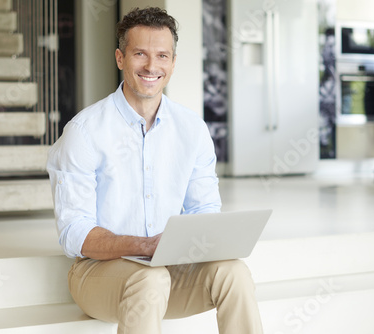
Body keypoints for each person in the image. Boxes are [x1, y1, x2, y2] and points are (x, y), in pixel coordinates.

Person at [47, 7, 263, 334]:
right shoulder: (85, 131)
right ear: (120, 58)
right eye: (140, 54)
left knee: (234, 272)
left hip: (169, 272)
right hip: (98, 275)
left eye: (162, 55)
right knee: (150, 278)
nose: (151, 66)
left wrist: (206, 238)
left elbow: (205, 209)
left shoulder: (192, 129)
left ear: (173, 63)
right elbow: (75, 233)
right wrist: (145, 246)